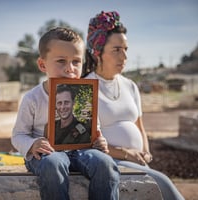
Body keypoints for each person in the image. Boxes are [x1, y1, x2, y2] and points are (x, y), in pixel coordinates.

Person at [82, 11, 185, 200]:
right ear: (97, 52)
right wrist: (126, 153)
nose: (124, 56)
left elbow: (140, 126)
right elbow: (85, 140)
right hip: (107, 163)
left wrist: (145, 153)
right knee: (164, 184)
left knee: (159, 183)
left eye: (126, 49)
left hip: (137, 161)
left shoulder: (130, 86)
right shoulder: (84, 89)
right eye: (116, 50)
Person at [12, 27, 120, 200]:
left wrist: (99, 141)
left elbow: (94, 128)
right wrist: (32, 145)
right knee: (54, 163)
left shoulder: (85, 95)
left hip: (81, 151)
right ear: (42, 64)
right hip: (47, 155)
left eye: (76, 61)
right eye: (61, 61)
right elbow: (18, 135)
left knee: (105, 164)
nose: (70, 68)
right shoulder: (32, 98)